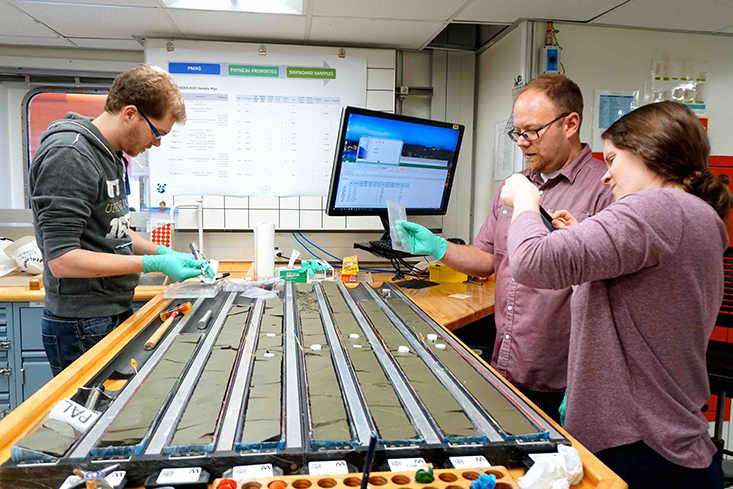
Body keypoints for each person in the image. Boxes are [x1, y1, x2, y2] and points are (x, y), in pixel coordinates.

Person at [499, 101, 730, 489]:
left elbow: (531, 263)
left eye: (612, 160)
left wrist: (526, 201)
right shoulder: (696, 214)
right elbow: (640, 299)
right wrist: (580, 243)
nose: (606, 177)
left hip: (638, 445)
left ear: (647, 152)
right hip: (668, 440)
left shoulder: (655, 207)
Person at [397, 74, 613, 422]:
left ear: (571, 123)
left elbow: (607, 288)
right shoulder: (515, 186)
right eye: (517, 133)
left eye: (532, 131)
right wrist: (438, 248)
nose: (523, 143)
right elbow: (487, 259)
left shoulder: (603, 189)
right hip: (508, 365)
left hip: (565, 377)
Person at [30, 64, 213, 376]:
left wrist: (161, 252)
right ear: (130, 114)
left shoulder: (109, 154)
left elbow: (113, 228)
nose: (156, 144)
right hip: (81, 323)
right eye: (157, 133)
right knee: (95, 419)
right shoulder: (70, 156)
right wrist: (150, 265)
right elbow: (61, 260)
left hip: (109, 310)